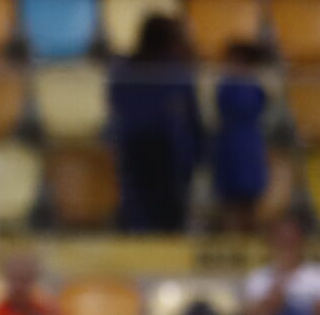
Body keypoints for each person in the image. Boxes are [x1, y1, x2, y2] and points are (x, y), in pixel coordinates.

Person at [109, 14, 201, 232]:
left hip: (155, 148)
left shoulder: (130, 69)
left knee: (152, 210)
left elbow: (190, 115)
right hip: (151, 148)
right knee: (153, 211)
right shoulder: (169, 70)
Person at [209, 42, 272, 229]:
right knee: (228, 200)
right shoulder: (226, 86)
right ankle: (231, 235)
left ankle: (246, 235)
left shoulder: (255, 88)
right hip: (230, 145)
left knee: (248, 200)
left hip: (247, 146)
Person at [243, 212, 320, 315]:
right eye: (282, 241)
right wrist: (272, 298)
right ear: (272, 243)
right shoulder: (258, 277)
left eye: (292, 241)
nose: (287, 247)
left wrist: (303, 307)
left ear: (302, 242)